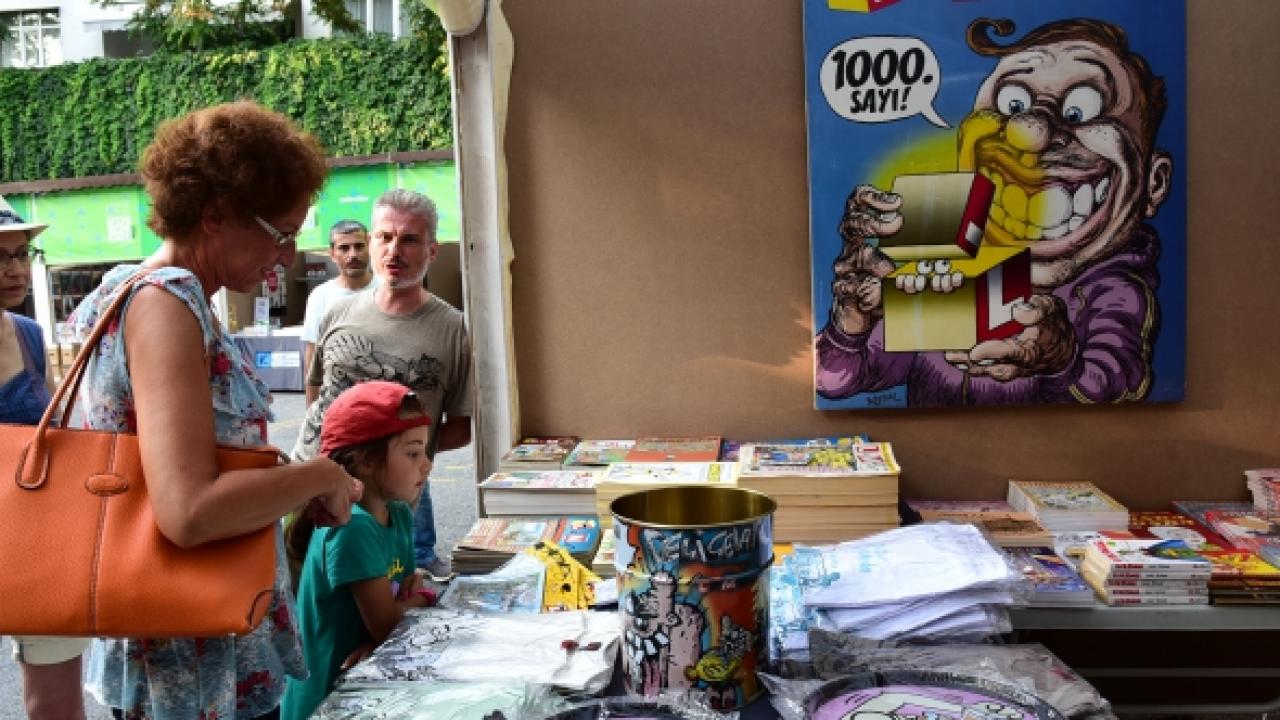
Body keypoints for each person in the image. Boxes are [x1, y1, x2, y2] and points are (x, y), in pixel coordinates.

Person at [68, 101, 364, 719]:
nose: (288, 256)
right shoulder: (167, 305)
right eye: (281, 233)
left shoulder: (140, 289)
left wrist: (276, 481)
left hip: (195, 646)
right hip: (191, 658)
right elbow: (188, 511)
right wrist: (319, 475)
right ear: (215, 215)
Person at [817, 18, 1173, 406]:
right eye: (1012, 104)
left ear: (1153, 183)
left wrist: (1060, 358)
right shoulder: (944, 263)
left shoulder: (1113, 289)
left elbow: (1113, 387)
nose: (1030, 131)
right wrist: (849, 328)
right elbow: (836, 381)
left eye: (1081, 109)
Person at [292, 189, 474, 578]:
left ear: (432, 250)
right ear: (373, 241)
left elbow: (459, 429)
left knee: (377, 606)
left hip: (382, 510)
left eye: (409, 239)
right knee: (299, 596)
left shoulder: (453, 330)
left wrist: (394, 457)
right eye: (384, 237)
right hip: (308, 489)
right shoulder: (337, 311)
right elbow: (317, 392)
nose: (394, 250)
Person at [281, 381, 437, 720]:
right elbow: (391, 621)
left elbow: (401, 597)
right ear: (364, 461)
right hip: (325, 702)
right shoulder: (353, 526)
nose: (427, 465)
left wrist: (386, 631)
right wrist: (425, 598)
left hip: (364, 684)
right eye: (413, 453)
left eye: (425, 451)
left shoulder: (397, 514)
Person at [1, 197, 90, 719]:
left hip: (36, 539)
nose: (13, 269)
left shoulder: (30, 335)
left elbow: (57, 431)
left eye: (20, 253)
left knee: (56, 704)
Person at [300, 219, 378, 383]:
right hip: (336, 390)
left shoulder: (387, 290)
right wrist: (312, 398)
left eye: (359, 246)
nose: (353, 254)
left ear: (370, 247)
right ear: (332, 254)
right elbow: (312, 353)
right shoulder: (320, 296)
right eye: (344, 248)